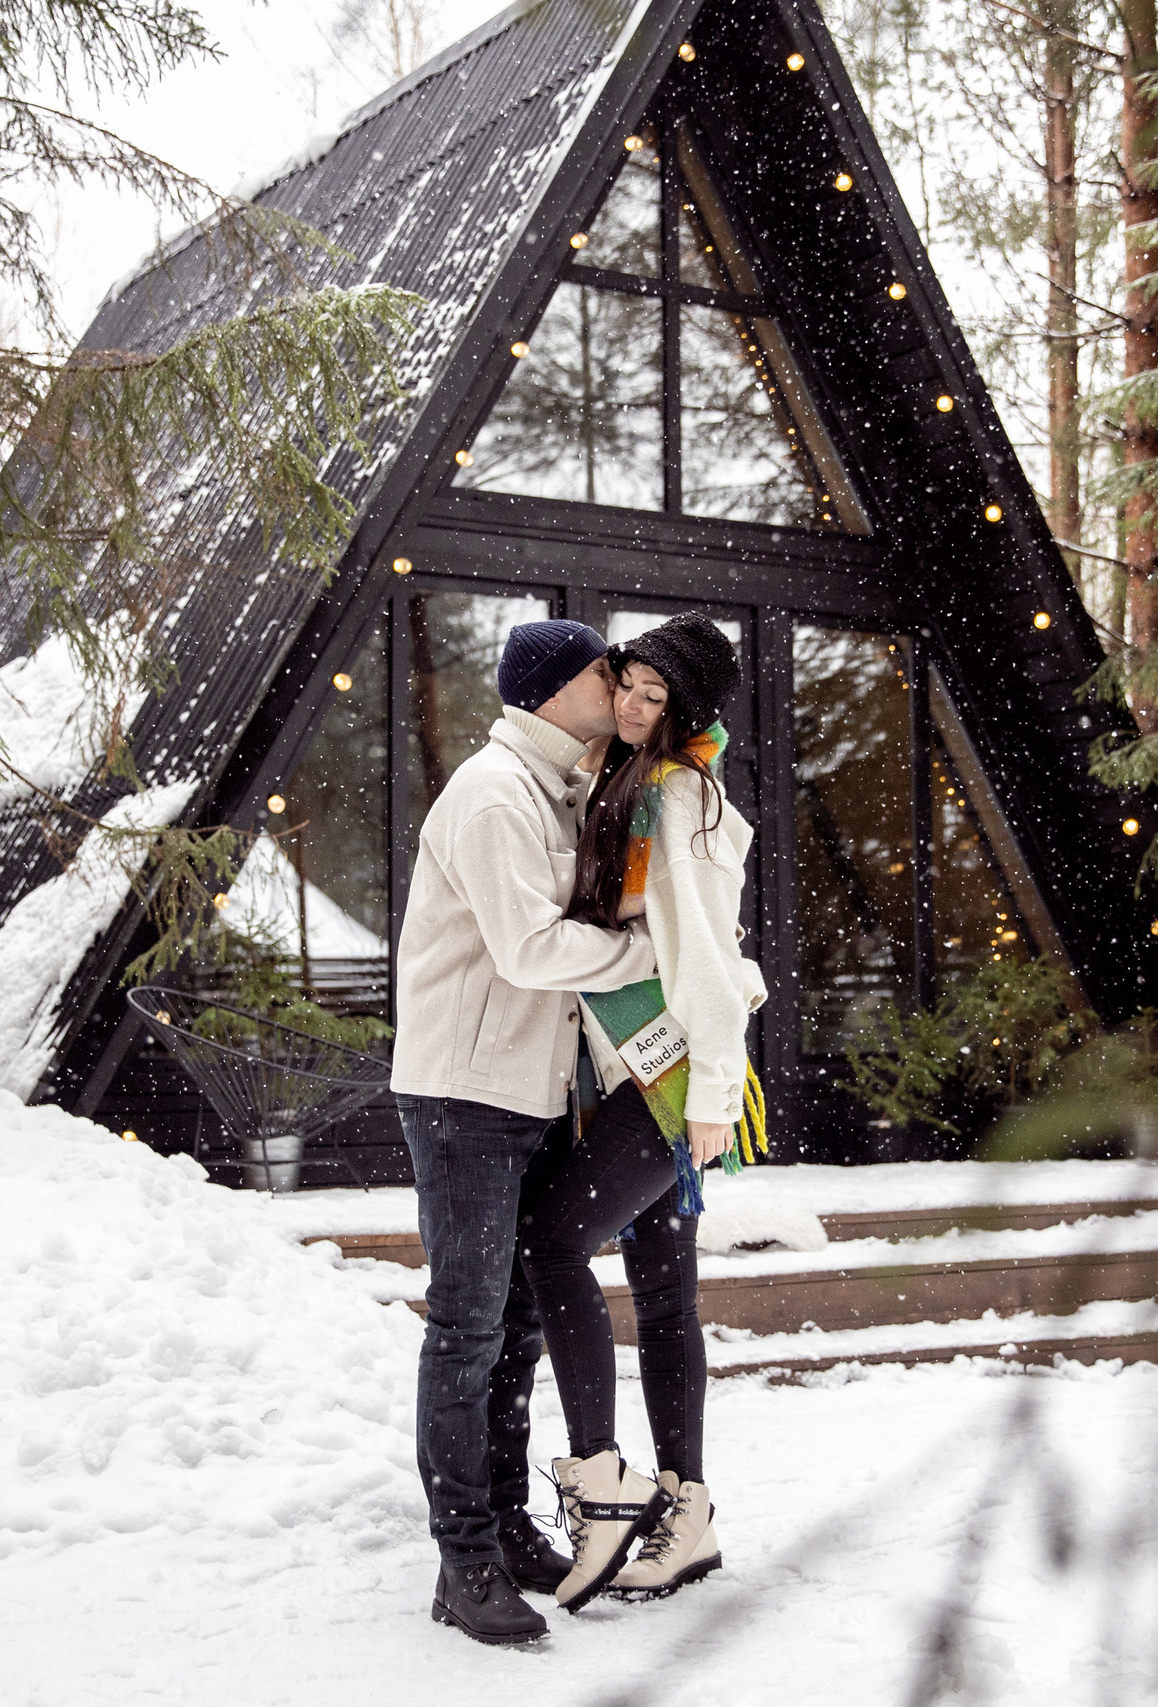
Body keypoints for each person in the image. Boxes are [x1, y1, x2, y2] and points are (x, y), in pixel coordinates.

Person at [388, 617, 660, 1647]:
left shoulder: (560, 789)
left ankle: (503, 1527)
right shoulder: (495, 794)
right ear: (550, 688)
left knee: (513, 1326)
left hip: (528, 1094)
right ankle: (462, 1560)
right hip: (465, 1097)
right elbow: (529, 948)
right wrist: (651, 955)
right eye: (602, 672)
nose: (618, 685)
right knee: (466, 1328)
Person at [516, 612, 763, 1611]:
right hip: (639, 1070)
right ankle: (687, 1511)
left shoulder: (678, 799)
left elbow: (707, 959)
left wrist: (713, 1095)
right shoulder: (628, 777)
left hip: (673, 1077)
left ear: (683, 713)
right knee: (664, 1295)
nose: (630, 703)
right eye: (628, 682)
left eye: (656, 697)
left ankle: (603, 1477)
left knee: (551, 1243)